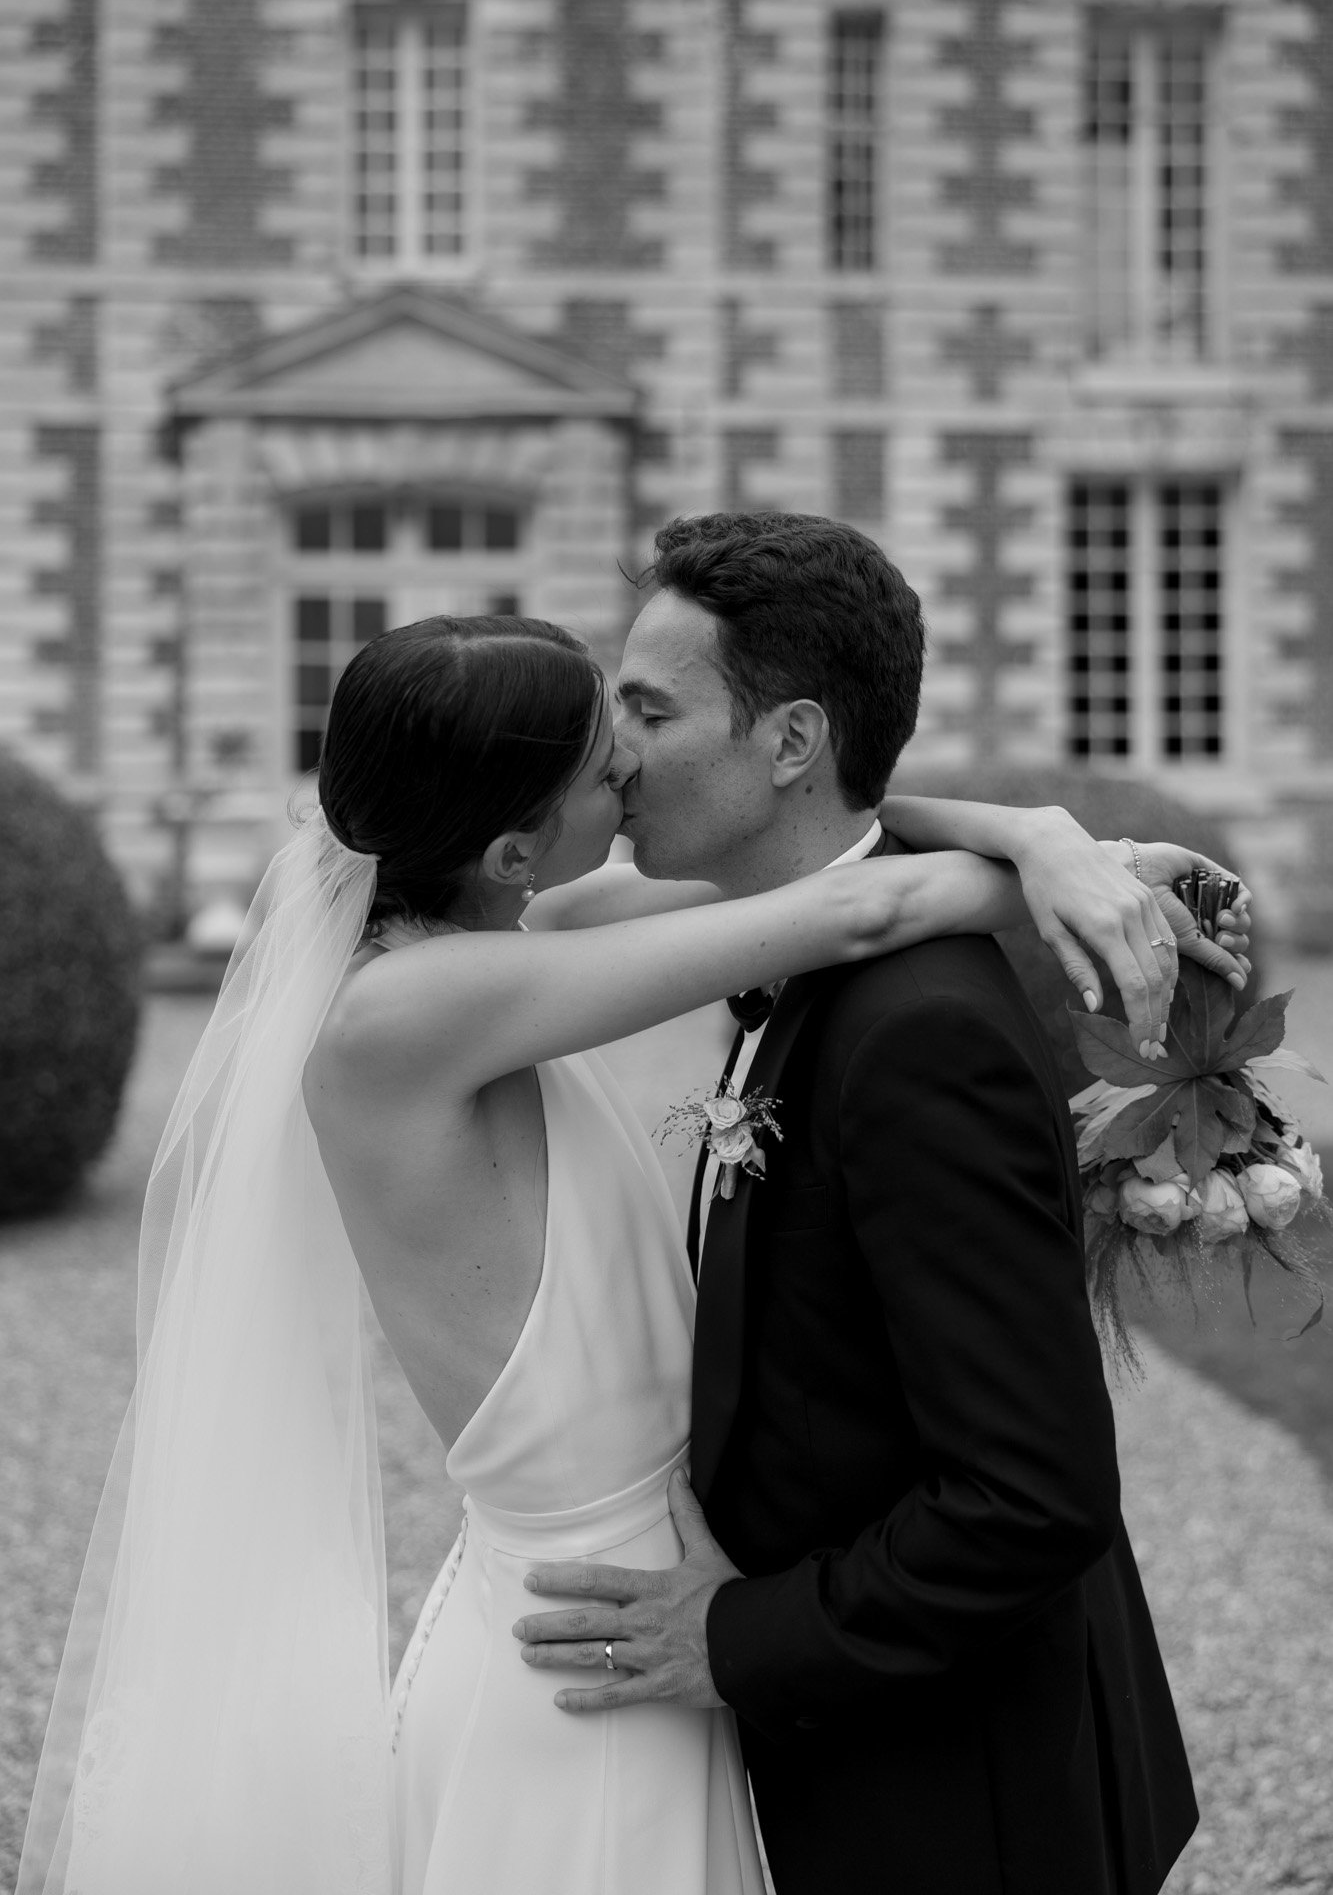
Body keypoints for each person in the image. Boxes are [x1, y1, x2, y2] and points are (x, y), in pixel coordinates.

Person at [16, 607, 1247, 1895]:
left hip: (637, 1616)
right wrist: (1090, 878)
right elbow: (859, 907)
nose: (636, 772)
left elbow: (813, 859)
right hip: (590, 1650)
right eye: (607, 766)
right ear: (510, 845)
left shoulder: (499, 934)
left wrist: (1045, 836)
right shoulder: (407, 1013)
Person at [515, 514, 1247, 1895]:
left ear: (788, 743)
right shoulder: (765, 945)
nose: (611, 748)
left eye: (649, 708)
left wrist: (729, 1640)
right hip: (873, 1751)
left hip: (953, 1795)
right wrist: (1026, 830)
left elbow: (1029, 1498)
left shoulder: (919, 1034)